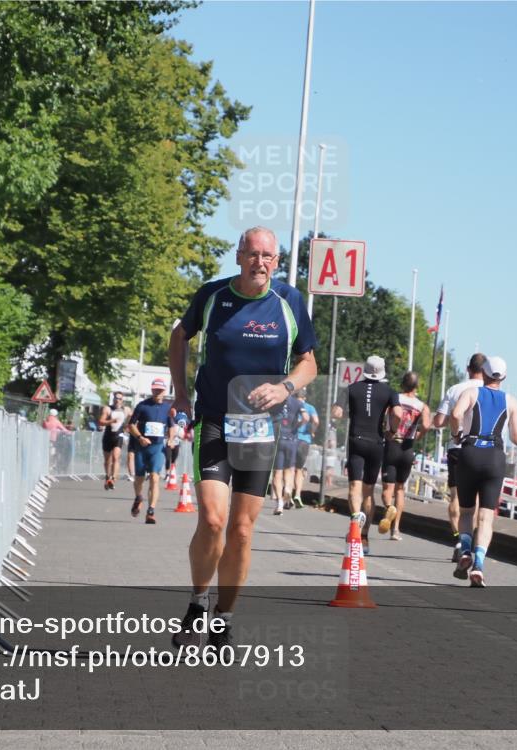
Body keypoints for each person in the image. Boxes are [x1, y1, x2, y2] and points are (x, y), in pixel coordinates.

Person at [168, 226, 317, 650]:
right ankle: (199, 602)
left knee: (242, 530)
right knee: (212, 519)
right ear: (239, 256)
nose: (261, 262)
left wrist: (284, 387)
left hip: (259, 426)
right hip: (214, 417)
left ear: (277, 260)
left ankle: (223, 621)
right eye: (253, 254)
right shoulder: (213, 295)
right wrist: (180, 392)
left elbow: (308, 363)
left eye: (268, 256)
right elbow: (179, 336)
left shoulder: (289, 302)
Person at [449, 356, 517, 587]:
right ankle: (479, 565)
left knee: (467, 512)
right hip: (494, 457)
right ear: (504, 377)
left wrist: (456, 434)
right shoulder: (511, 401)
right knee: (486, 516)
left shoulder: (471, 393)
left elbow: (455, 415)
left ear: (484, 372)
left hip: (470, 453)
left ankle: (465, 552)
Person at [332, 355, 402, 556]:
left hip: (356, 439)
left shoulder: (351, 388)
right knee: (369, 491)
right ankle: (364, 537)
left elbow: (336, 413)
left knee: (354, 486)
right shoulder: (389, 391)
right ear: (382, 372)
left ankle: (355, 518)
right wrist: (391, 431)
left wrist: (351, 414)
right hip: (376, 443)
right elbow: (397, 414)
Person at [433, 353, 487, 561]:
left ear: (468, 369)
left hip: (457, 448)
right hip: (482, 449)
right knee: (477, 501)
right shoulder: (489, 392)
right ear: (486, 371)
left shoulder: (455, 389)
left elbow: (440, 421)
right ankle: (473, 542)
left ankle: (458, 539)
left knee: (456, 498)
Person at [380, 371, 430, 540]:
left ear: (402, 384)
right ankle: (396, 530)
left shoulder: (395, 399)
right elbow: (426, 425)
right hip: (408, 447)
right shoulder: (422, 406)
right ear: (416, 387)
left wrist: (387, 430)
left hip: (393, 443)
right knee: (400, 489)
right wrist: (418, 436)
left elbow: (386, 414)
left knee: (388, 489)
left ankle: (389, 508)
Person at [127, 378, 177, 524]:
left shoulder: (168, 408)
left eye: (160, 390)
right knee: (139, 479)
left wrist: (171, 438)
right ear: (151, 390)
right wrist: (140, 437)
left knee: (155, 478)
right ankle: (138, 497)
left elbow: (172, 426)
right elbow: (131, 425)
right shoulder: (142, 406)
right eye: (155, 389)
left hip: (158, 448)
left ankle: (151, 511)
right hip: (142, 448)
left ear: (164, 391)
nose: (157, 392)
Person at [272, 394, 308, 514]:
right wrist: (297, 426)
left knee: (277, 473)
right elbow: (306, 417)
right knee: (289, 470)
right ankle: (288, 489)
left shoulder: (275, 399)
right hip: (291, 439)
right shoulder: (297, 403)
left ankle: (279, 503)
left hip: (278, 438)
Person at [294, 389, 319, 506]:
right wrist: (312, 431)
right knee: (299, 469)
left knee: (288, 469)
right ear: (305, 398)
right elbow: (316, 421)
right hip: (305, 441)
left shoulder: (292, 404)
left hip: (292, 439)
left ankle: (286, 493)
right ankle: (297, 494)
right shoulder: (310, 407)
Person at [99, 392, 127, 490]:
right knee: (107, 460)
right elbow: (101, 421)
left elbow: (134, 417)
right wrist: (111, 421)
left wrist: (128, 427)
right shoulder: (107, 409)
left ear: (122, 400)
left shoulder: (125, 410)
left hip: (118, 436)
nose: (117, 400)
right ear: (113, 399)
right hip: (108, 436)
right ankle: (108, 476)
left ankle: (113, 479)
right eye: (116, 398)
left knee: (116, 457)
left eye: (120, 398)